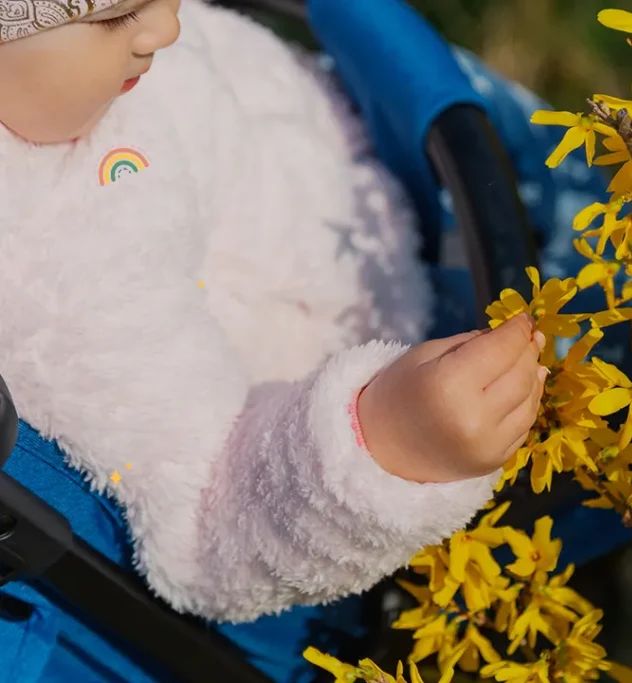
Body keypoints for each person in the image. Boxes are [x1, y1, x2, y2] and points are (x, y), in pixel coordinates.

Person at [0, 0, 547, 629]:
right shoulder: (50, 267)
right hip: (430, 371)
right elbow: (211, 522)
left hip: (409, 190)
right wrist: (392, 440)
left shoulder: (74, 80)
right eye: (111, 17)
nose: (167, 27)